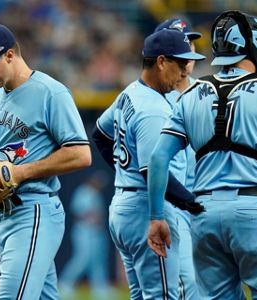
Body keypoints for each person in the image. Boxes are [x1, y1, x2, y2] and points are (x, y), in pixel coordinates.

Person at [147, 10, 257, 299]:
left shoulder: (191, 96)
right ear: (252, 46)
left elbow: (158, 159)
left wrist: (156, 216)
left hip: (204, 214)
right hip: (256, 207)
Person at [0, 24, 92, 300]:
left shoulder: (51, 93)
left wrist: (20, 172)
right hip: (3, 215)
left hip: (34, 210)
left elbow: (81, 154)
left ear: (9, 55)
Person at [92, 29, 205, 299]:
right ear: (161, 61)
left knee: (142, 295)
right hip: (147, 208)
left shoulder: (129, 93)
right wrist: (193, 204)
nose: (184, 72)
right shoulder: (153, 109)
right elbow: (152, 169)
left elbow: (100, 134)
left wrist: (125, 172)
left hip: (123, 209)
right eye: (180, 64)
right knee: (164, 296)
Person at [154, 18, 202, 300]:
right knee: (186, 285)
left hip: (207, 203)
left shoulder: (207, 92)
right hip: (174, 203)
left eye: (191, 41)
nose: (188, 49)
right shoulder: (153, 97)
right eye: (181, 41)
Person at [59, 171, 112, 300]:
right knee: (82, 258)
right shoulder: (83, 191)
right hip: (84, 231)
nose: (99, 184)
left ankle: (100, 288)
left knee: (97, 260)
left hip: (96, 232)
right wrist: (92, 217)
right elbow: (77, 212)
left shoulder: (96, 194)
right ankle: (65, 284)